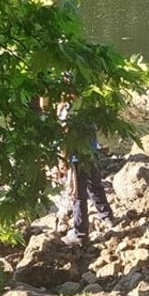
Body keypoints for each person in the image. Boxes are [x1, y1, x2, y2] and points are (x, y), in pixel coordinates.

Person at [54, 100, 114, 246]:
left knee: (78, 194)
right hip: (91, 153)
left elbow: (65, 139)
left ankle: (80, 232)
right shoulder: (87, 104)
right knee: (95, 185)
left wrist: (62, 161)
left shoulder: (66, 110)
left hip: (76, 158)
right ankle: (107, 216)